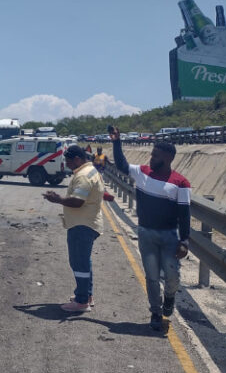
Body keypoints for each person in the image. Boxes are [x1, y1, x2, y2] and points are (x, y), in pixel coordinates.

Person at [110, 126, 190, 331]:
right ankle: (155, 312)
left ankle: (169, 298)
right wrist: (116, 141)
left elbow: (184, 215)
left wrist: (184, 241)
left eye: (155, 155)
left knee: (172, 276)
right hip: (146, 234)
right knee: (152, 277)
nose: (151, 158)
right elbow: (121, 165)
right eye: (151, 154)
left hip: (170, 236)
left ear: (168, 158)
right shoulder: (142, 172)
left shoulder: (180, 183)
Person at [43, 145, 105, 312]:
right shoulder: (91, 170)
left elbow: (78, 202)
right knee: (84, 261)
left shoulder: (83, 176)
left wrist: (58, 199)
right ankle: (86, 294)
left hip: (81, 225)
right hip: (89, 222)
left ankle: (82, 301)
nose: (67, 164)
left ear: (77, 159)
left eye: (68, 161)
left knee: (78, 262)